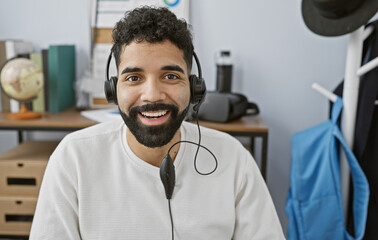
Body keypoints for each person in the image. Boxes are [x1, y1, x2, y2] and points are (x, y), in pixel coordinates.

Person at [30, 6, 284, 240]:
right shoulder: (73, 159)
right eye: (133, 78)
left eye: (170, 76)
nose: (152, 95)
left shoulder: (233, 159)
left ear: (195, 89)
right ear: (112, 89)